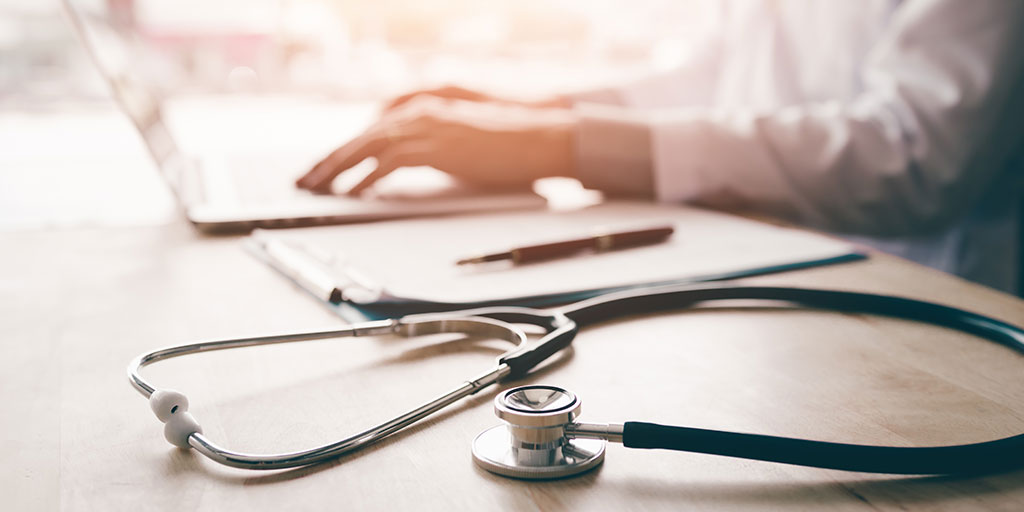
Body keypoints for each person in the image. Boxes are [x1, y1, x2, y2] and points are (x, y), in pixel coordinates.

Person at [297, 0, 1024, 293]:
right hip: (761, 275)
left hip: (917, 299)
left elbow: (913, 158)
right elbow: (714, 74)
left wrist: (561, 145)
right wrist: (530, 111)